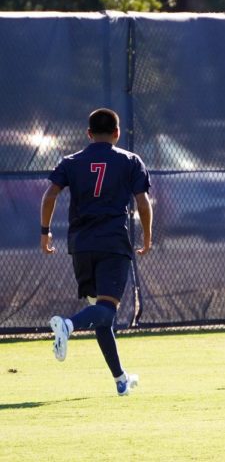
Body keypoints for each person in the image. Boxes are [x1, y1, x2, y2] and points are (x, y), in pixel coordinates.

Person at [40, 108, 153, 396]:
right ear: (116, 133)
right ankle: (67, 325)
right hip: (113, 244)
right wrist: (148, 236)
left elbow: (50, 194)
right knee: (105, 310)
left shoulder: (71, 161)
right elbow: (142, 203)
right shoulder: (130, 161)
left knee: (101, 313)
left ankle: (120, 379)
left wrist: (45, 231)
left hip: (81, 246)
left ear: (88, 134)